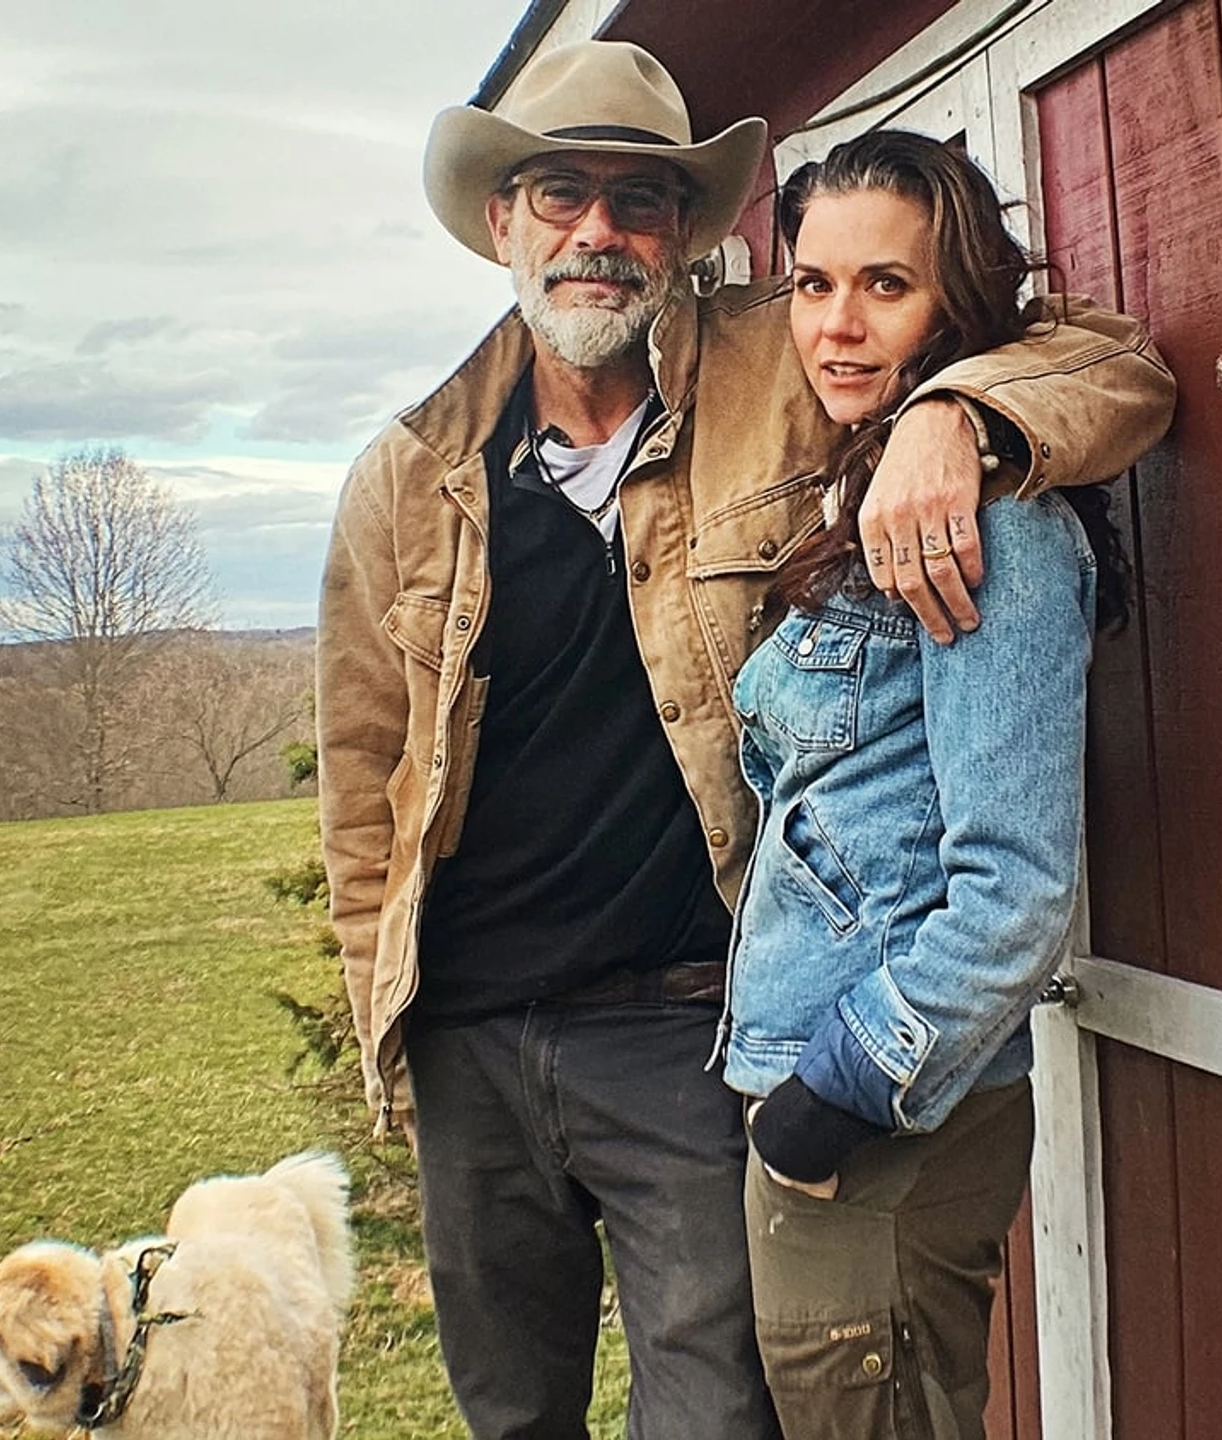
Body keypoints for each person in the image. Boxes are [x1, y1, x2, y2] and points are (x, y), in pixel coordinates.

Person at [315, 41, 1173, 1440]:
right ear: (501, 224)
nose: (598, 231)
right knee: (510, 1410)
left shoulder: (784, 360)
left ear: (683, 233)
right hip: (472, 1042)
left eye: (638, 200)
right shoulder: (406, 479)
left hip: (679, 1022)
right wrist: (388, 1033)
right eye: (559, 193)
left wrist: (961, 416)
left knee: (720, 1413)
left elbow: (1116, 366)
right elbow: (363, 784)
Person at [723, 129, 1136, 1440]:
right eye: (812, 284)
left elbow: (1013, 893)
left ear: (954, 294)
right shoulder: (868, 483)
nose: (837, 326)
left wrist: (826, 1105)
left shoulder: (988, 525)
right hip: (831, 1105)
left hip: (879, 1131)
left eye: (883, 286)